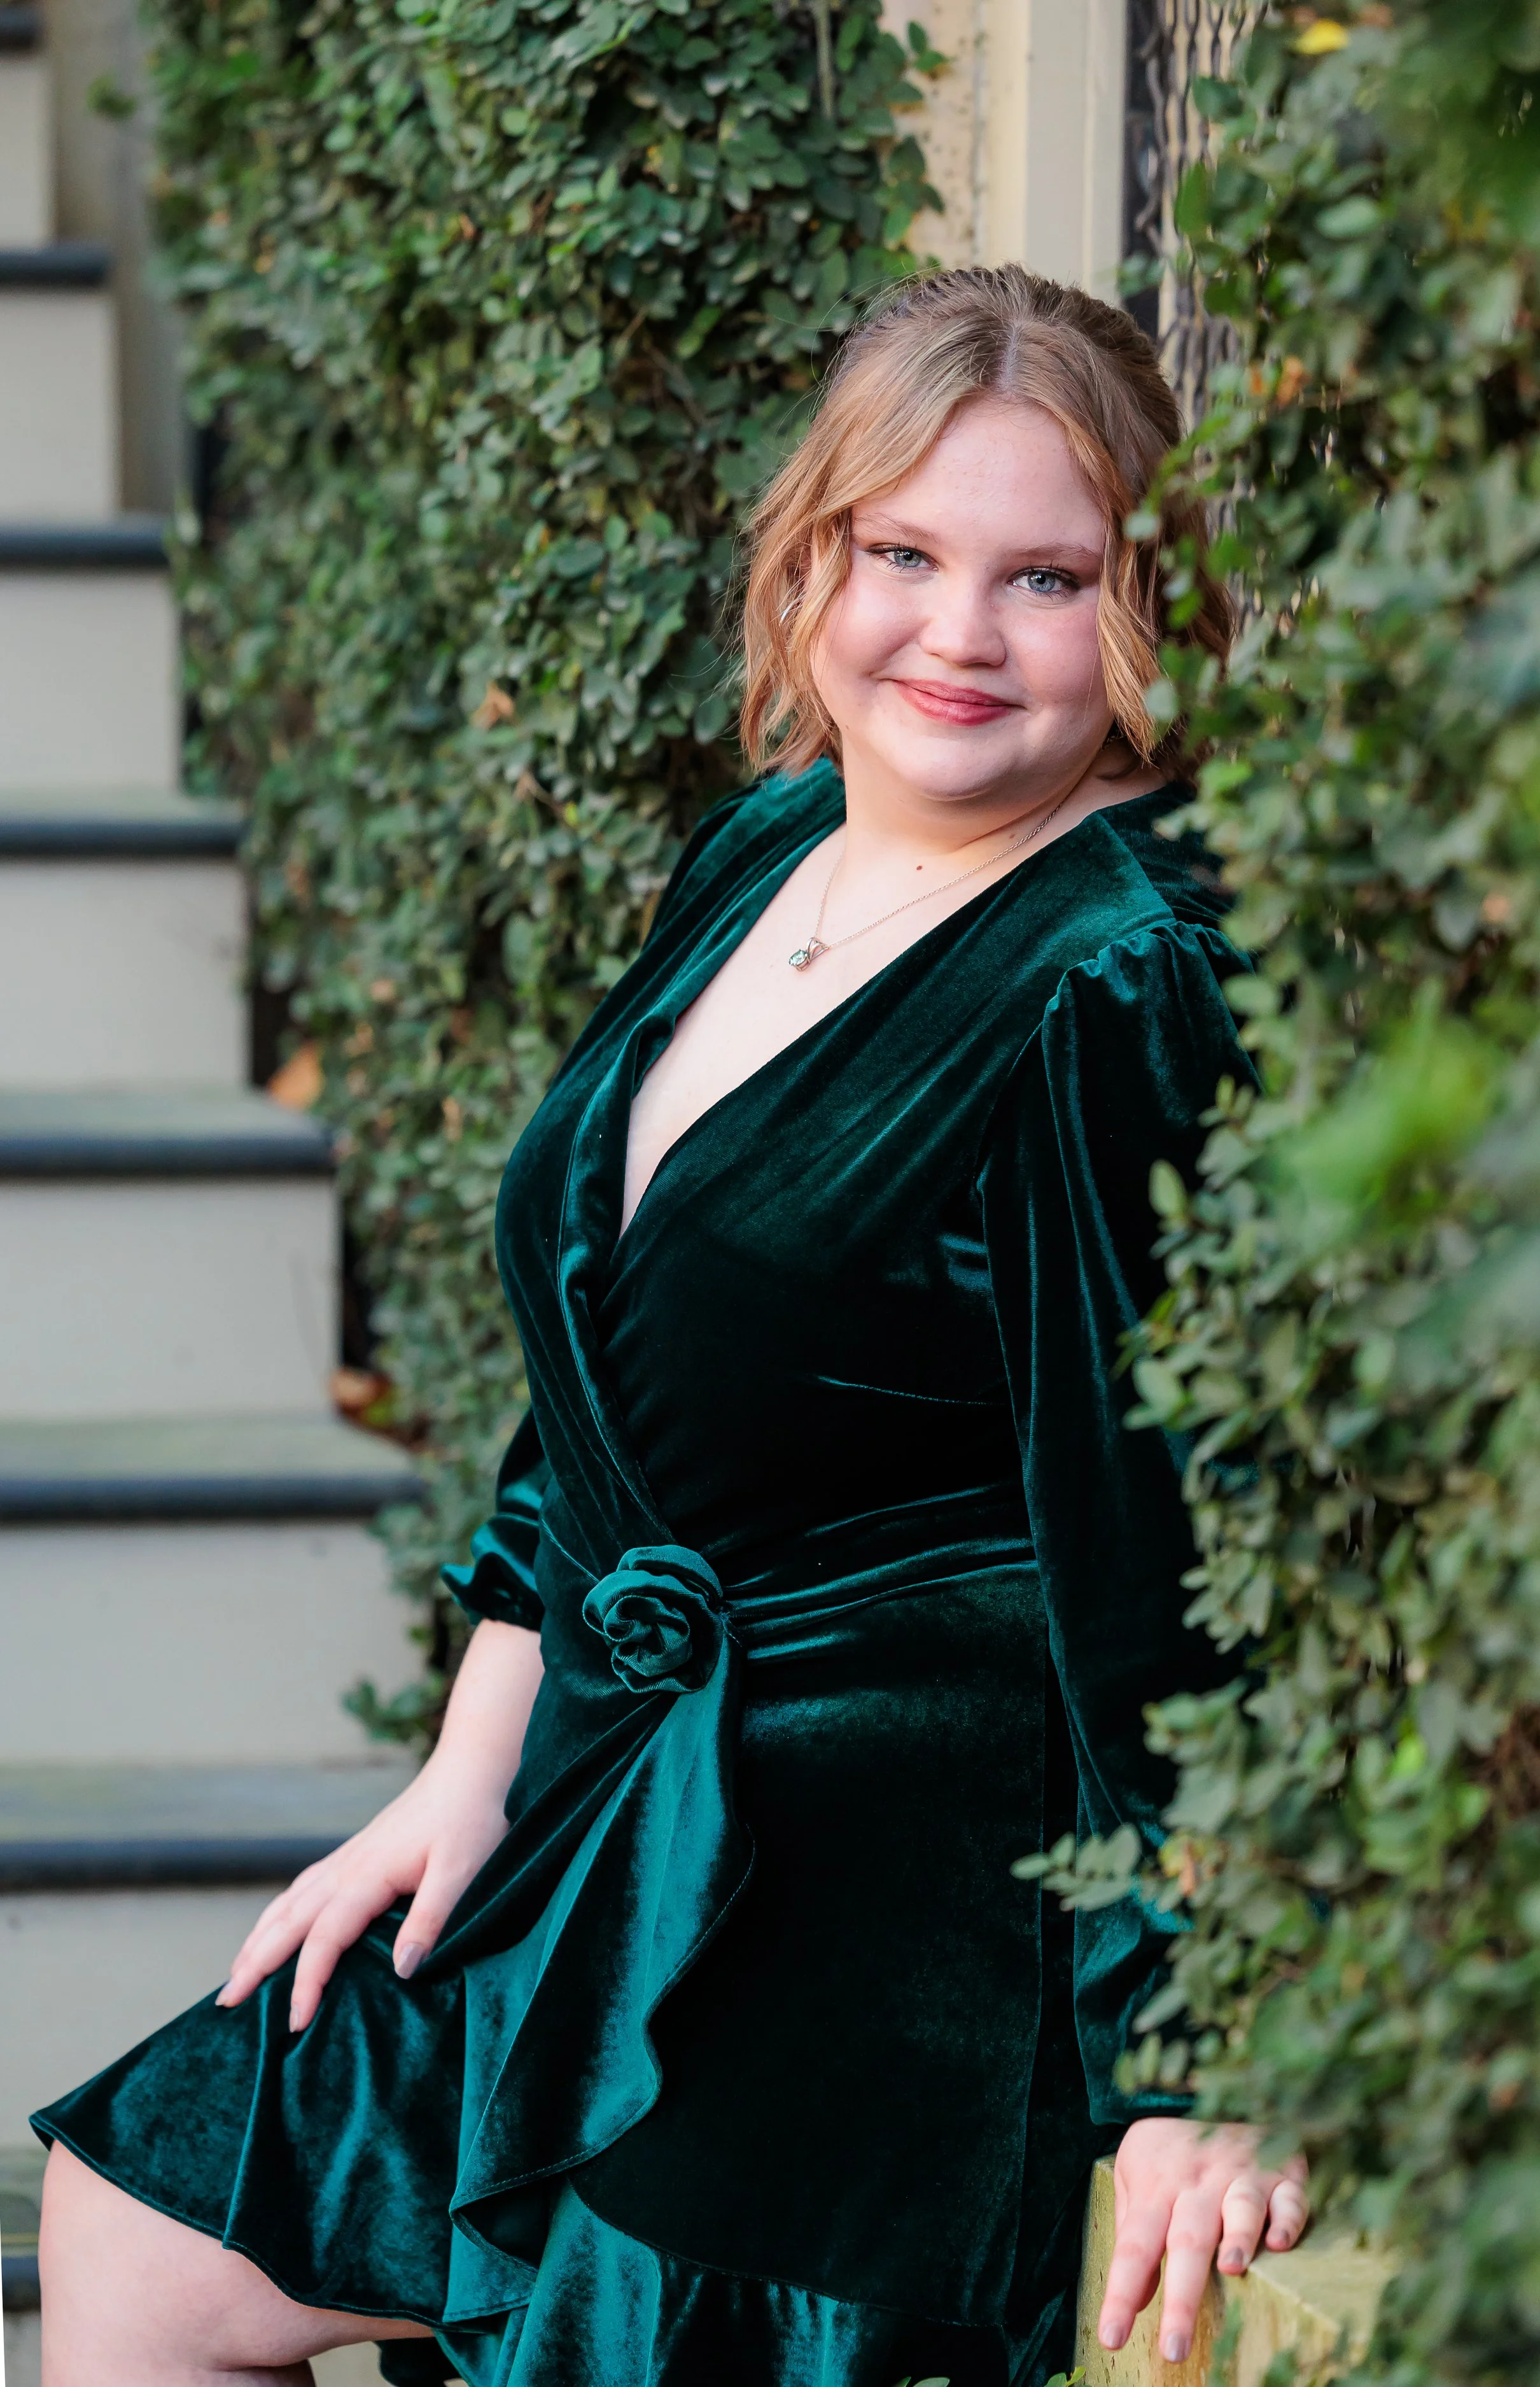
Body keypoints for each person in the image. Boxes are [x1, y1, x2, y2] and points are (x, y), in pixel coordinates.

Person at [34, 264, 1308, 2387]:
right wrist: (467, 1771)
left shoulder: (1121, 969)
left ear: (1146, 605)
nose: (958, 633)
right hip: (631, 1793)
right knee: (150, 2216)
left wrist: (1199, 2046)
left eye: (1047, 577)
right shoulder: (769, 843)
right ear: (809, 560)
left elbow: (1167, 1546)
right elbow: (603, 1379)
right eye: (901, 554)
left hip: (899, 1885)